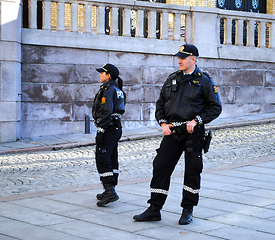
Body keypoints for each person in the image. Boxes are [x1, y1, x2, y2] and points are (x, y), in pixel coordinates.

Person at [133, 44, 222, 225]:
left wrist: (196, 120)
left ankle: (187, 210)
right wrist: (163, 122)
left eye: (183, 57)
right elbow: (160, 104)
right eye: (178, 57)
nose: (179, 60)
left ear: (193, 59)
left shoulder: (204, 80)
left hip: (193, 132)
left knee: (192, 171)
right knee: (160, 166)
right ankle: (154, 209)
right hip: (172, 131)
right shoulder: (172, 78)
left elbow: (215, 107)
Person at [92, 63, 125, 207]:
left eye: (102, 73)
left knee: (102, 157)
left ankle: (110, 190)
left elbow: (106, 111)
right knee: (112, 156)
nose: (100, 75)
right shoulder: (117, 89)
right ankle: (109, 188)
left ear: (109, 75)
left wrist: (101, 129)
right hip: (115, 127)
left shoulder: (108, 89)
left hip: (108, 127)